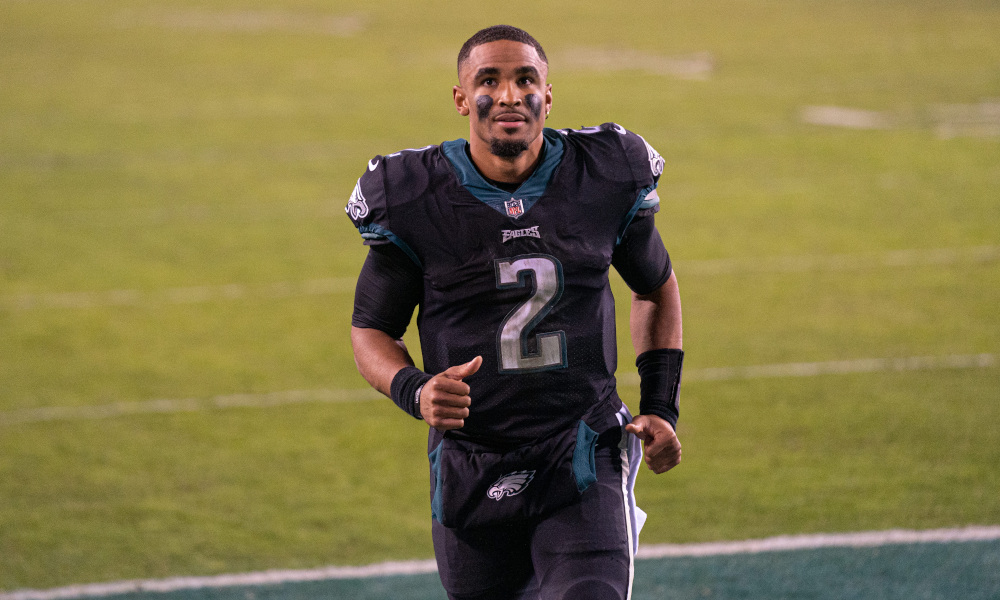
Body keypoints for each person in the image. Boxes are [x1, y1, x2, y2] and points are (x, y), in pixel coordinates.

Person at [346, 24, 684, 600]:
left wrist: (660, 405)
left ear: (548, 95)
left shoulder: (602, 174)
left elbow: (655, 287)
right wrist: (415, 389)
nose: (509, 96)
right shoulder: (414, 196)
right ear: (460, 98)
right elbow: (372, 329)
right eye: (489, 80)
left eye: (526, 79)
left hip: (583, 444)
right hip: (473, 458)